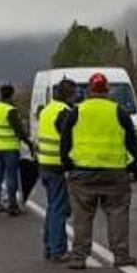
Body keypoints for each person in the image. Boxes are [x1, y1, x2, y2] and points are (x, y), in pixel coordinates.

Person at [59, 72, 137, 269]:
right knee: (117, 213)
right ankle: (121, 254)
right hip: (114, 172)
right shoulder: (119, 111)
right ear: (107, 90)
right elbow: (132, 141)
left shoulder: (76, 112)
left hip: (82, 172)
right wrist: (133, 164)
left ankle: (79, 256)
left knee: (82, 216)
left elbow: (65, 141)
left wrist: (68, 164)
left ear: (88, 90)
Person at [37, 80, 75, 259]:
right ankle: (58, 250)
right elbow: (69, 140)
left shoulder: (46, 110)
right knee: (59, 208)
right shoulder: (64, 112)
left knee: (52, 206)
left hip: (44, 163)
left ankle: (49, 246)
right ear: (70, 95)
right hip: (57, 165)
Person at [0, 84, 35, 216]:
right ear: (12, 95)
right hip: (9, 148)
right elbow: (19, 131)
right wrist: (29, 144)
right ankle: (12, 206)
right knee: (11, 178)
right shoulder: (10, 110)